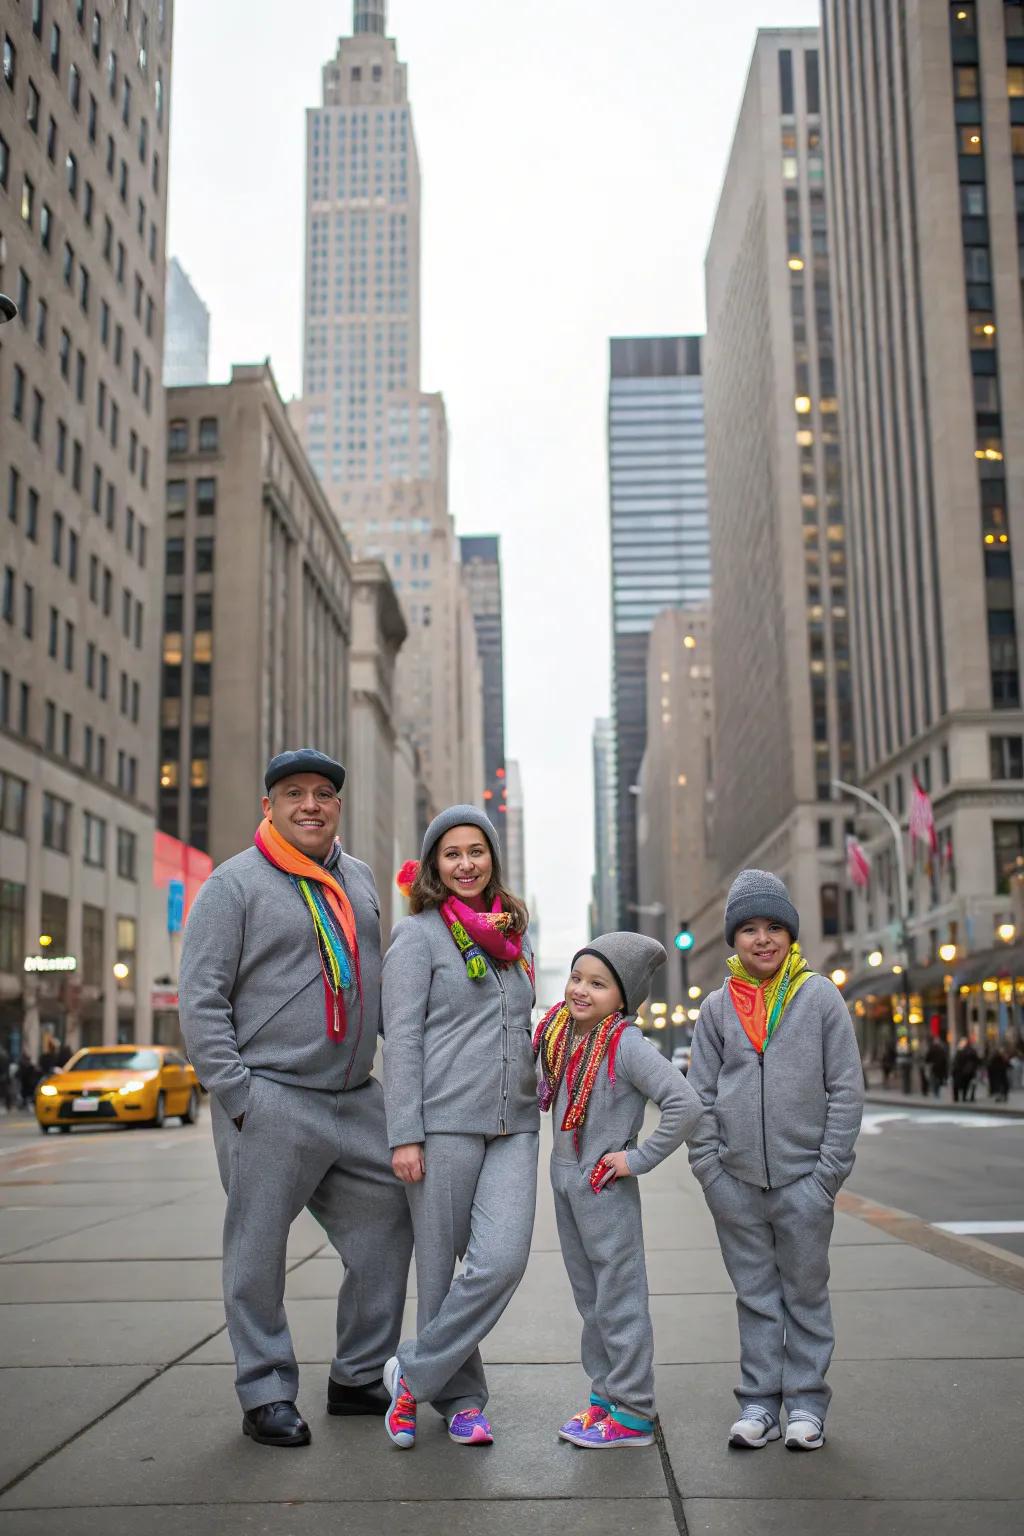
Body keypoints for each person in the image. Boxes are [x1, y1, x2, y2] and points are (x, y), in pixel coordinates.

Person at [179, 748, 413, 1449]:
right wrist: (239, 1096)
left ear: (337, 806)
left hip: (353, 1096)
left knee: (390, 1225)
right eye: (293, 794)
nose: (310, 805)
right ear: (269, 807)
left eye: (322, 794)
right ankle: (266, 1389)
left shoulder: (362, 879)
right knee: (256, 1251)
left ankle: (358, 1374)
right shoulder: (234, 884)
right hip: (271, 1097)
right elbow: (200, 998)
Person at [687, 870, 864, 1453]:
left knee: (806, 1295)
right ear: (733, 940)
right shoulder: (717, 1008)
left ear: (790, 935)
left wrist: (826, 1176)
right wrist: (710, 1171)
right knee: (756, 1296)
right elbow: (702, 1095)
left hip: (802, 1183)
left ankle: (807, 1403)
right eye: (749, 930)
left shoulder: (818, 997)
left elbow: (845, 1088)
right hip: (736, 1184)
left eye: (774, 928)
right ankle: (760, 1403)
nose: (762, 940)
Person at [381, 806, 537, 1450]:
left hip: (516, 1123)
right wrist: (404, 1132)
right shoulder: (417, 936)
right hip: (442, 1123)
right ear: (435, 866)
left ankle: (410, 1375)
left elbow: (521, 1025)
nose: (466, 863)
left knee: (501, 1261)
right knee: (440, 1272)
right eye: (452, 854)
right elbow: (402, 1037)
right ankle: (464, 1401)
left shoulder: (514, 938)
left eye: (477, 851)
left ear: (493, 858)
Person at [534, 934, 705, 1449]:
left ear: (623, 998)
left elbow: (685, 1104)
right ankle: (604, 1397)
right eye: (577, 977)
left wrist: (637, 1158)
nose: (581, 990)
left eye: (598, 983)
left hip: (604, 1190)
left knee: (620, 1300)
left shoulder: (626, 1044)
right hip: (567, 1182)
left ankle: (633, 1413)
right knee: (591, 1302)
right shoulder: (563, 1034)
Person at [951, 1038, 979, 1103]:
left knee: (958, 1085)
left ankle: (958, 1098)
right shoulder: (972, 1051)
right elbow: (977, 1061)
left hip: (961, 1071)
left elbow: (957, 1062)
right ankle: (966, 1097)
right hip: (968, 1071)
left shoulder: (961, 1051)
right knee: (967, 1084)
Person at [926, 1035, 949, 1100]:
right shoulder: (941, 1049)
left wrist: (928, 1062)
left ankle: (935, 1091)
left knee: (935, 1078)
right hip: (940, 1067)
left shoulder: (932, 1048)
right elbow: (944, 1059)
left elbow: (928, 1057)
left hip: (935, 1066)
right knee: (938, 1078)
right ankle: (937, 1091)